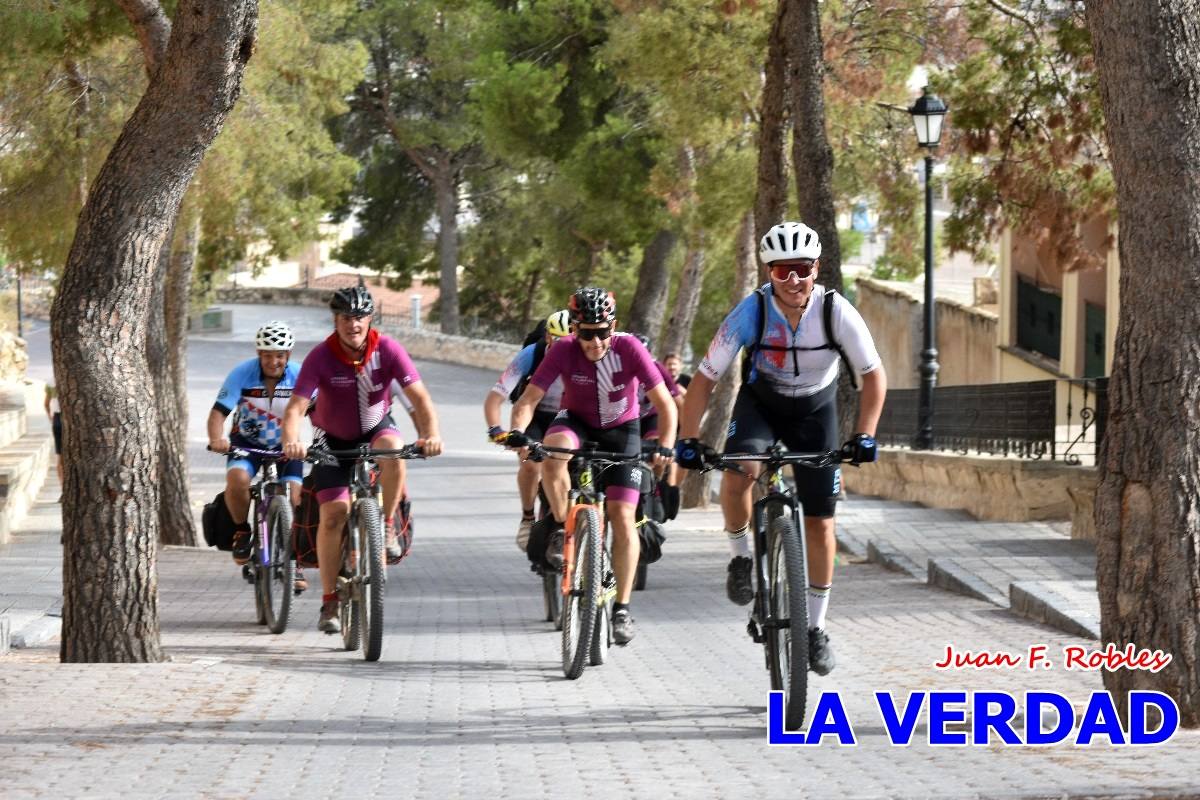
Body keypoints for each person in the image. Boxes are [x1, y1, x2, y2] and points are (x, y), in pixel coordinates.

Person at [675, 221, 886, 676]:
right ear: (769, 272)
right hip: (762, 405)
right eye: (783, 270)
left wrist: (866, 433)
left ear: (817, 268)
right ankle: (740, 561)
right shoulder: (751, 311)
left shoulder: (836, 311)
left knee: (822, 522)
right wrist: (689, 439)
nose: (794, 280)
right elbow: (706, 378)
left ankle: (814, 630)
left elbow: (873, 375)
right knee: (739, 474)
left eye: (803, 269)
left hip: (816, 412)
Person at [505, 287, 676, 645]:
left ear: (613, 327)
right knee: (553, 455)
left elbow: (665, 403)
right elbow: (528, 400)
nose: (595, 342)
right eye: (587, 333)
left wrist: (665, 446)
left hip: (623, 429)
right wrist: (518, 433)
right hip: (576, 422)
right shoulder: (564, 349)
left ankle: (623, 610)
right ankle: (564, 524)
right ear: (575, 329)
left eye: (603, 332)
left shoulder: (630, 347)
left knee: (623, 514)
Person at [280, 286, 443, 634]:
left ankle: (383, 526)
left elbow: (420, 398)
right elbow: (295, 408)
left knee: (394, 451)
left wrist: (431, 435)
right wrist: (292, 442)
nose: (352, 324)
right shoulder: (321, 356)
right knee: (333, 515)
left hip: (375, 427)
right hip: (331, 439)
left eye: (358, 317)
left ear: (369, 318)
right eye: (344, 318)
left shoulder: (388, 349)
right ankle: (329, 600)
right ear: (335, 320)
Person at [207, 321, 305, 565]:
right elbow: (218, 414)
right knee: (237, 479)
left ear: (288, 354)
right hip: (246, 443)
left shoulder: (300, 375)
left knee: (295, 497)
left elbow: (321, 413)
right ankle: (242, 530)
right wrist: (217, 439)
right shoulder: (242, 373)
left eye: (280, 356)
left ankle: (295, 560)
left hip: (286, 445)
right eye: (268, 356)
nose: (274, 362)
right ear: (259, 354)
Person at [483, 309, 570, 551]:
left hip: (569, 418)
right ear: (548, 337)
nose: (564, 347)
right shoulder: (532, 354)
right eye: (558, 340)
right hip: (535, 414)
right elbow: (495, 397)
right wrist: (496, 430)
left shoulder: (583, 355)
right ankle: (528, 517)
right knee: (530, 462)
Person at [44, 382, 63, 499]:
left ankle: (63, 489)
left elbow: (46, 404)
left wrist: (51, 419)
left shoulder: (51, 383)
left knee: (61, 456)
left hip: (57, 419)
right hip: (67, 418)